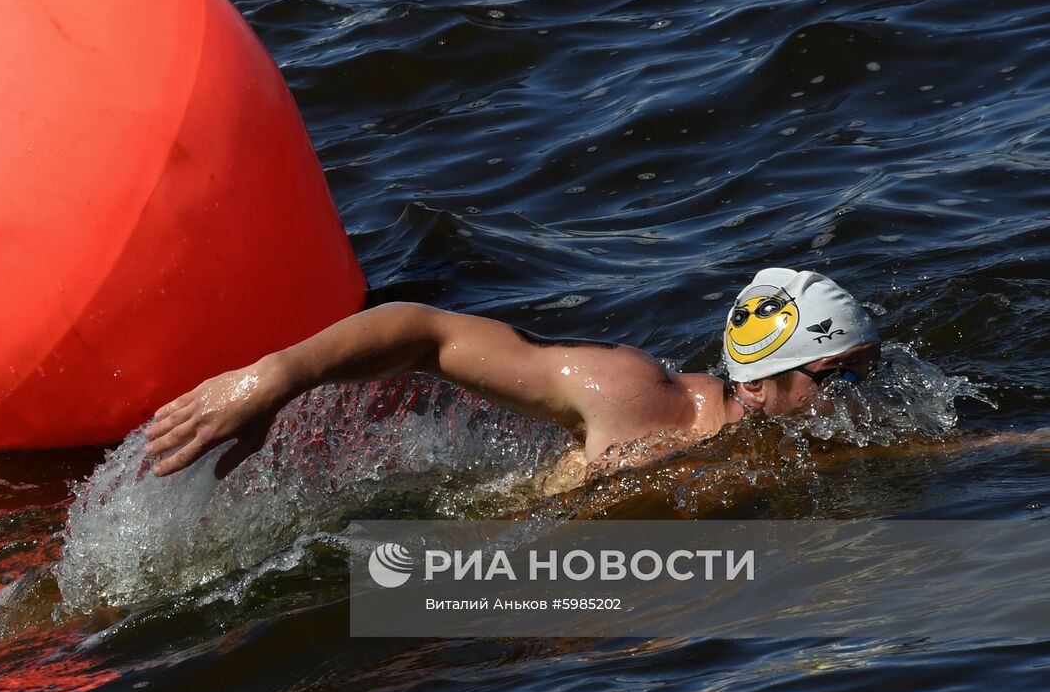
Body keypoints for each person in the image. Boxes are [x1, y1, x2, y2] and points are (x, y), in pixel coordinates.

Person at [144, 267, 881, 485]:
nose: (863, 398)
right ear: (756, 383)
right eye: (838, 378)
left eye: (868, 372)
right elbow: (428, 333)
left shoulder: (829, 441)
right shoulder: (631, 395)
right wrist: (273, 379)